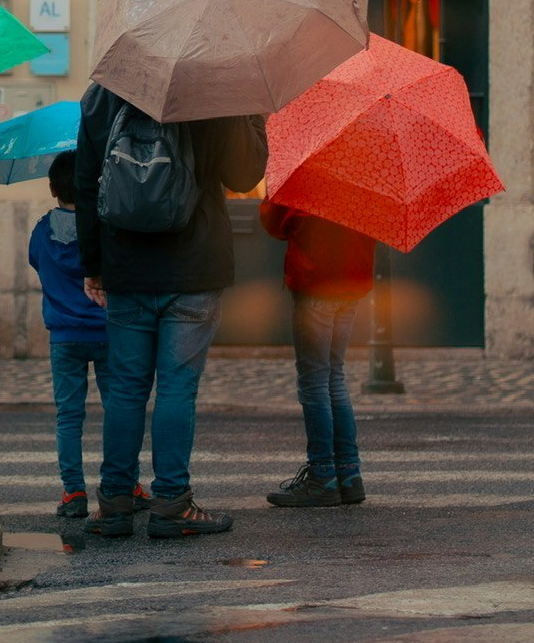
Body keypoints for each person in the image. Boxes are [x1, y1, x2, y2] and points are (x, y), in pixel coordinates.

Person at [74, 85, 268, 540]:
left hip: (126, 265)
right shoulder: (215, 87)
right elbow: (244, 175)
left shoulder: (105, 92)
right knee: (177, 389)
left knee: (125, 390)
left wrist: (93, 265)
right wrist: (251, 109)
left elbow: (87, 181)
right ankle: (171, 504)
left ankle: (116, 503)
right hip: (193, 266)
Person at [28, 149, 121, 533]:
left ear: (52, 189)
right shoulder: (101, 226)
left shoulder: (40, 231)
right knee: (119, 411)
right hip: (106, 331)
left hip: (64, 337)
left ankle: (74, 492)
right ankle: (124, 483)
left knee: (69, 417)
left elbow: (35, 261)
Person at [259, 201, 375, 507]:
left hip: (316, 282)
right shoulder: (366, 174)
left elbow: (273, 221)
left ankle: (323, 475)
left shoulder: (306, 173)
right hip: (350, 282)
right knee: (335, 376)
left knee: (314, 381)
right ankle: (349, 474)